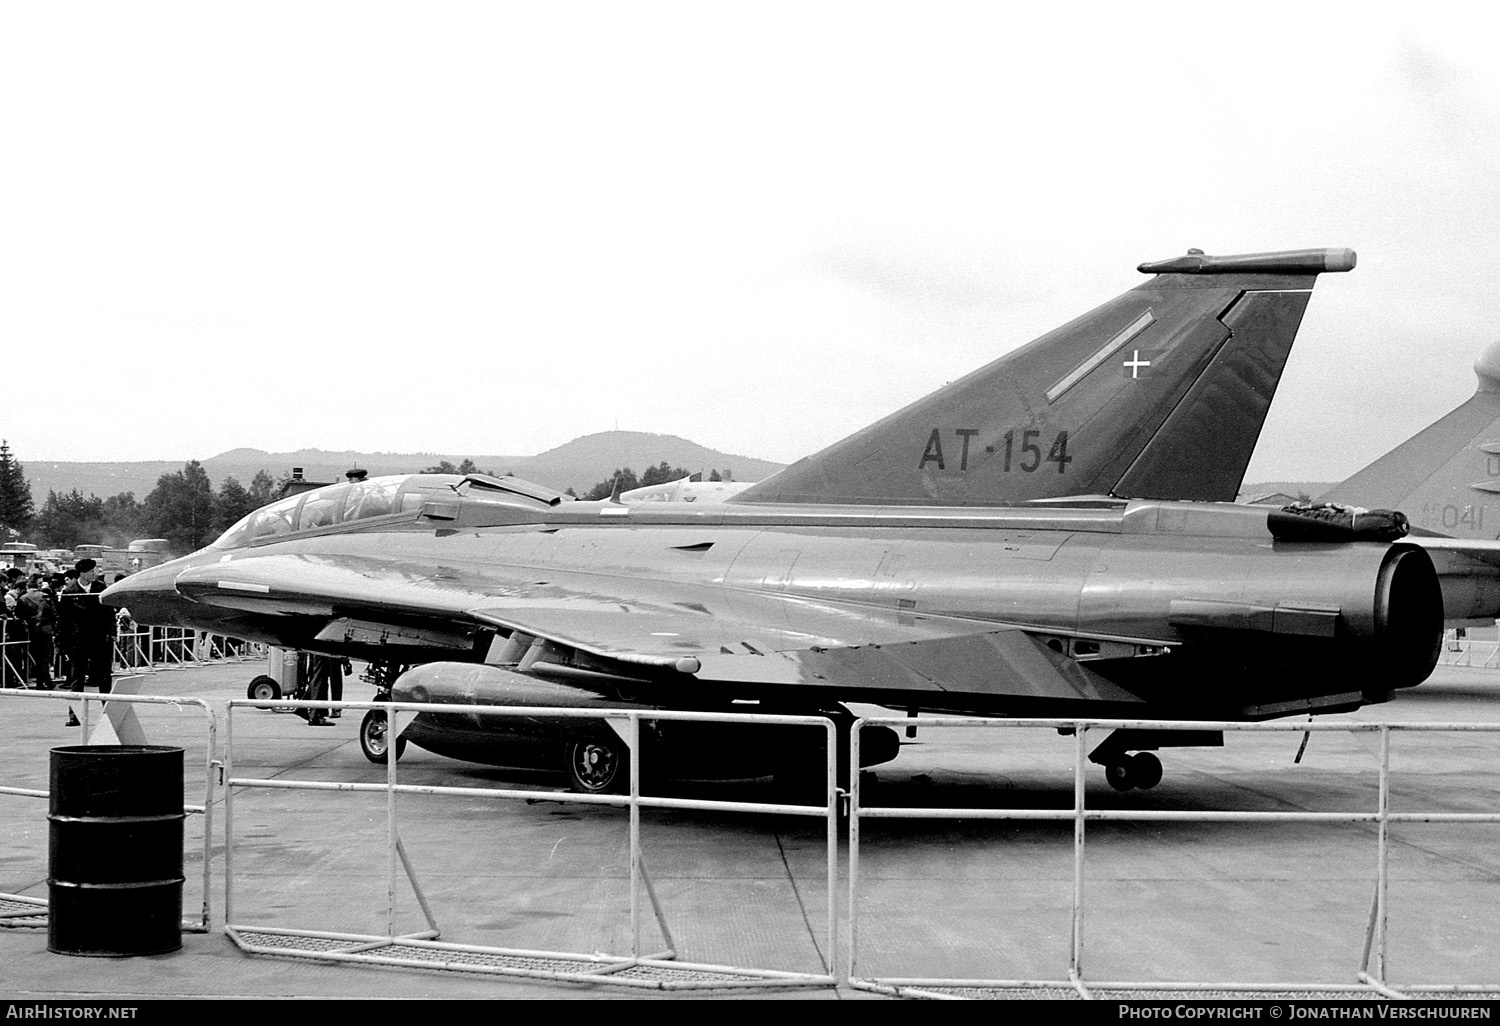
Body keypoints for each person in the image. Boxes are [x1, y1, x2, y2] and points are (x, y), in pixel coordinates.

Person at [17, 574, 56, 689]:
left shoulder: (23, 598)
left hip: (32, 629)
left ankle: (44, 682)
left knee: (36, 656)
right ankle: (44, 681)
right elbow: (54, 614)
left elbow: (18, 614)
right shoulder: (46, 596)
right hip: (46, 629)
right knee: (44, 657)